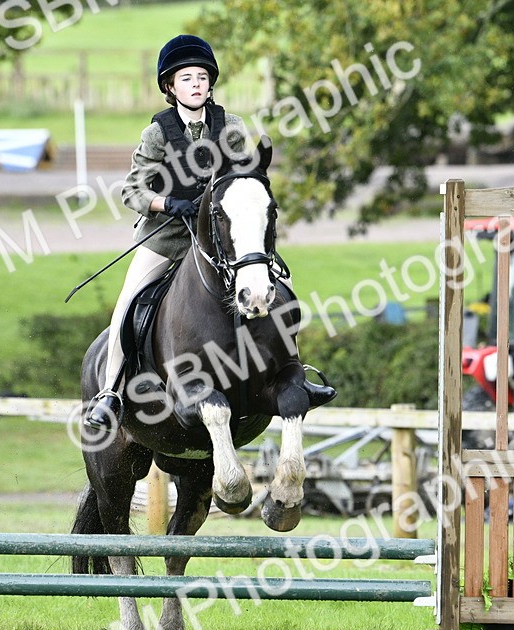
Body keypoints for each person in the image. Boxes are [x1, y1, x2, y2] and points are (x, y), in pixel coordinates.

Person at [84, 34, 334, 429]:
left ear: (211, 83)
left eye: (202, 77)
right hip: (167, 236)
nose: (196, 84)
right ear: (170, 86)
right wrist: (167, 203)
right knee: (127, 305)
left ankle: (294, 372)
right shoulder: (158, 133)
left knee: (278, 288)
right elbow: (132, 189)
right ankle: (111, 393)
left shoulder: (230, 126)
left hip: (223, 236)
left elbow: (243, 174)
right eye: (186, 78)